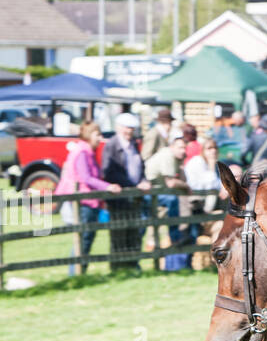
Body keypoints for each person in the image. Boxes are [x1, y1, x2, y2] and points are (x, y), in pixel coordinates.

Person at [57, 121, 120, 275]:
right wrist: (107, 186)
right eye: (97, 134)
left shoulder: (87, 151)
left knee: (87, 237)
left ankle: (80, 272)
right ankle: (75, 273)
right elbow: (86, 178)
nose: (100, 138)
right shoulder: (82, 152)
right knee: (83, 238)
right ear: (88, 135)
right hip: (83, 201)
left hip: (90, 201)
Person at [102, 113, 152, 271]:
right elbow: (108, 172)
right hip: (119, 197)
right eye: (126, 127)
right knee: (119, 233)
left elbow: (140, 167)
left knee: (135, 231)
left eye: (131, 128)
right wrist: (132, 185)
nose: (129, 131)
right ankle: (118, 267)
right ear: (118, 127)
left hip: (135, 197)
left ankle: (133, 264)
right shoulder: (111, 145)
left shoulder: (134, 145)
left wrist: (143, 180)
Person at [145, 136, 189, 270]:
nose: (183, 151)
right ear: (172, 147)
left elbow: (181, 178)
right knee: (172, 199)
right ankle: (175, 236)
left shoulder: (175, 159)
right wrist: (186, 186)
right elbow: (171, 183)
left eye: (184, 148)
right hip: (147, 191)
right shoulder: (168, 156)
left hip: (156, 192)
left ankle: (173, 237)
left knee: (171, 201)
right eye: (180, 147)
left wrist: (181, 166)